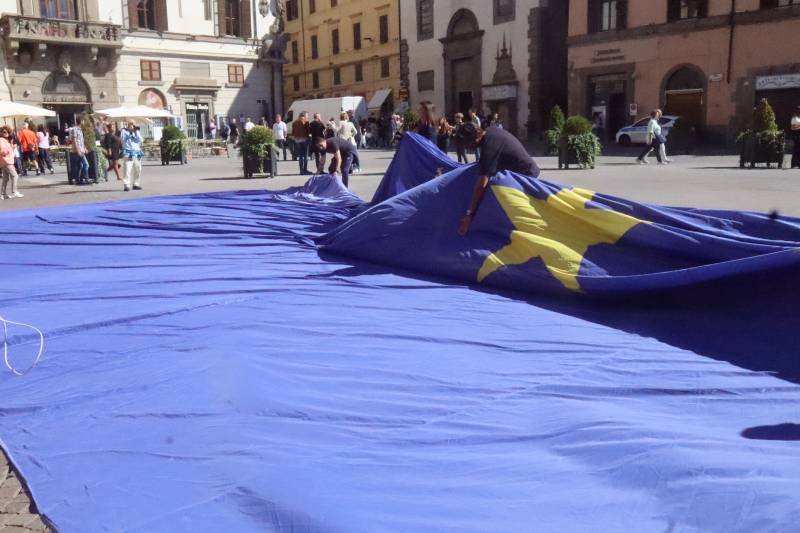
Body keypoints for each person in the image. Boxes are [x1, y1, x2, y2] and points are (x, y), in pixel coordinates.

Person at [454, 122, 540, 236]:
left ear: (474, 139)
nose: (467, 148)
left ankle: (519, 235)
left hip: (526, 176)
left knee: (508, 208)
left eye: (466, 145)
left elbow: (481, 185)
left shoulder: (489, 147)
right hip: (525, 170)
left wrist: (470, 214)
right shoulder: (491, 131)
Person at [121, 120, 144, 191]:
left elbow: (141, 140)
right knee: (127, 169)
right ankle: (126, 185)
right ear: (128, 124)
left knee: (138, 169)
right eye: (131, 124)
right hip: (128, 153)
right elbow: (122, 139)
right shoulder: (124, 131)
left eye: (133, 124)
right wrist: (129, 133)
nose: (132, 126)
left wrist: (135, 132)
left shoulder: (136, 131)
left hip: (136, 153)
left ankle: (136, 184)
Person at [0, 126, 22, 199]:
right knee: (15, 175)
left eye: (7, 132)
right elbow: (3, 151)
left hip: (4, 161)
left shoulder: (5, 140)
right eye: (4, 132)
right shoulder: (2, 140)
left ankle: (3, 194)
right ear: (1, 133)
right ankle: (14, 192)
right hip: (6, 161)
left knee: (6, 178)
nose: (6, 133)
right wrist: (10, 149)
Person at [68, 120, 90, 185]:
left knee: (79, 165)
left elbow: (80, 141)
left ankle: (78, 180)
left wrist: (85, 148)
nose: (84, 122)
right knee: (86, 164)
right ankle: (85, 178)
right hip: (78, 150)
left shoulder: (80, 129)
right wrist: (78, 150)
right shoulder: (75, 129)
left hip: (81, 149)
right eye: (83, 121)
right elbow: (74, 140)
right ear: (81, 121)